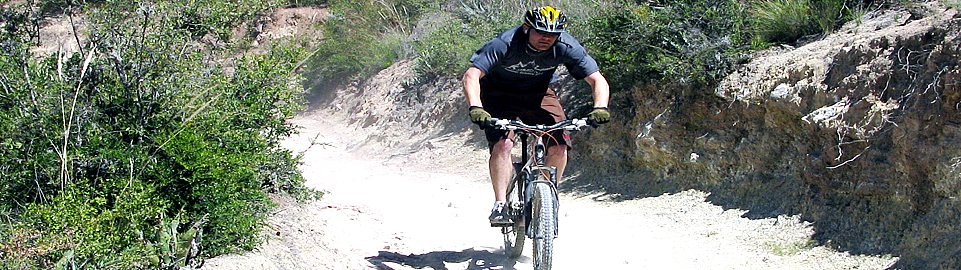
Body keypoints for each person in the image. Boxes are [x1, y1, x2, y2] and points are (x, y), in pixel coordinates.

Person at [461, 6, 612, 225]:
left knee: (559, 145)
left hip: (538, 94)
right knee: (503, 144)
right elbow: (472, 74)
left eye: (552, 34)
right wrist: (475, 106)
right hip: (497, 94)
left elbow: (597, 79)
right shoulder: (505, 44)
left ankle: (548, 196)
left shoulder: (566, 46)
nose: (546, 38)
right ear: (526, 28)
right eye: (540, 32)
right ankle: (500, 204)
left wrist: (600, 108)